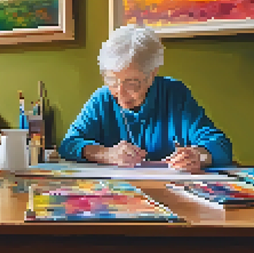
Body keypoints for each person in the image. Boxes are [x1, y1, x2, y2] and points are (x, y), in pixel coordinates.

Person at [58, 24, 232, 172]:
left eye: (132, 83)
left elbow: (221, 145)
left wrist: (199, 156)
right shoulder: (102, 99)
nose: (120, 93)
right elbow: (69, 144)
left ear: (152, 74)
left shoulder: (174, 94)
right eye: (112, 81)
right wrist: (106, 154)